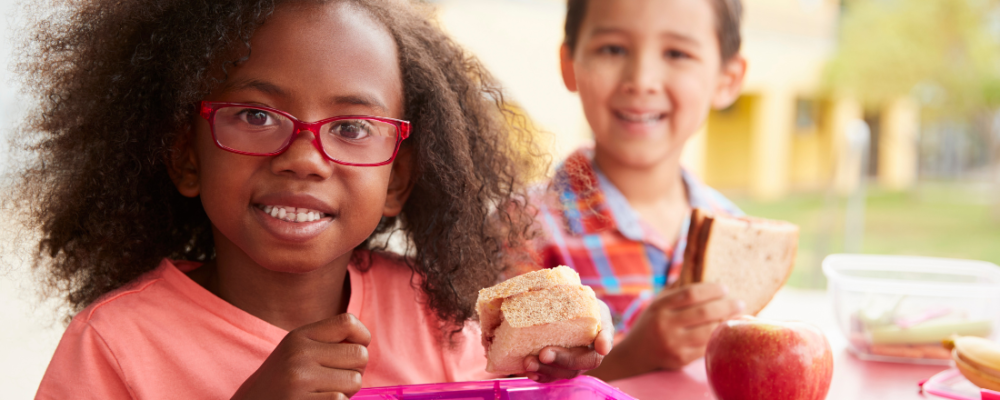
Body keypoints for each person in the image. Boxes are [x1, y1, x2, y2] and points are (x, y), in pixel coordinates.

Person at [18, 0, 612, 398]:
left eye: (352, 127)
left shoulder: (434, 318)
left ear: (397, 181)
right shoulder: (115, 344)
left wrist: (547, 382)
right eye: (255, 115)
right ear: (187, 156)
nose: (303, 157)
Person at [528, 0, 750, 381]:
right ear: (570, 65)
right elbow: (505, 384)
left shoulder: (738, 233)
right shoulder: (522, 228)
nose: (642, 79)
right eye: (613, 48)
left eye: (677, 53)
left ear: (726, 79)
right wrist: (633, 355)